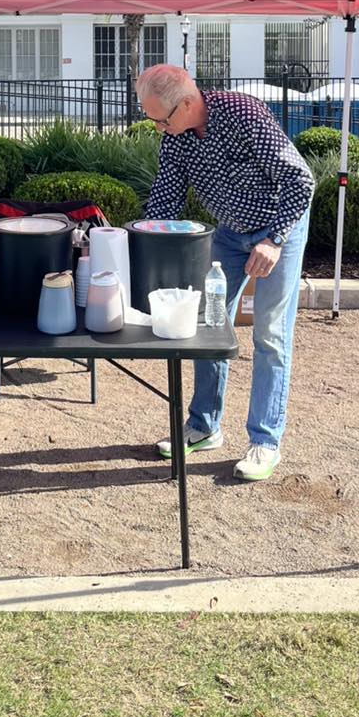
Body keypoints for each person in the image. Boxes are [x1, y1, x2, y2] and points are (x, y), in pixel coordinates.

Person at [135, 64, 314, 482]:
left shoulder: (243, 115)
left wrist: (274, 241)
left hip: (277, 228)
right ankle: (203, 425)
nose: (159, 128)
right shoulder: (177, 139)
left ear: (187, 103)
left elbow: (299, 180)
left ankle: (265, 441)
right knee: (209, 324)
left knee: (270, 333)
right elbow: (165, 197)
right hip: (230, 233)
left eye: (161, 119)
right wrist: (139, 241)